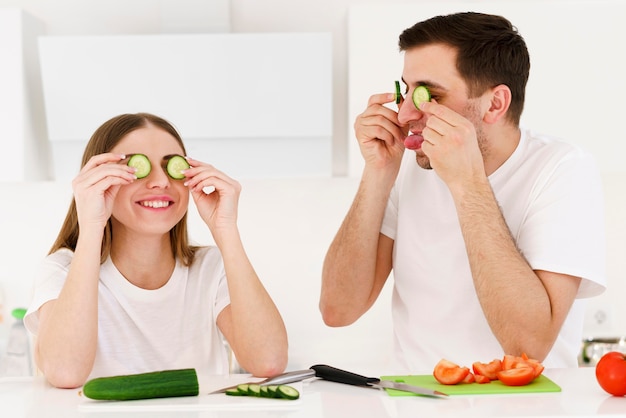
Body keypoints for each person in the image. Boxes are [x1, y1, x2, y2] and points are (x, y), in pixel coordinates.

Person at [320, 12, 606, 372]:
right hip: (414, 400)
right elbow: (337, 310)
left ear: (495, 104)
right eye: (404, 91)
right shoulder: (409, 165)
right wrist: (378, 172)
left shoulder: (562, 169)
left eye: (429, 94)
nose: (406, 113)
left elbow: (528, 347)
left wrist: (468, 184)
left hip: (525, 405)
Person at [24, 113, 288, 388]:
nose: (161, 181)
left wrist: (226, 229)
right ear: (100, 179)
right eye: (138, 168)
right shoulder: (61, 270)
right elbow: (65, 373)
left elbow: (268, 361)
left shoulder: (211, 267)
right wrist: (92, 224)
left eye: (171, 166)